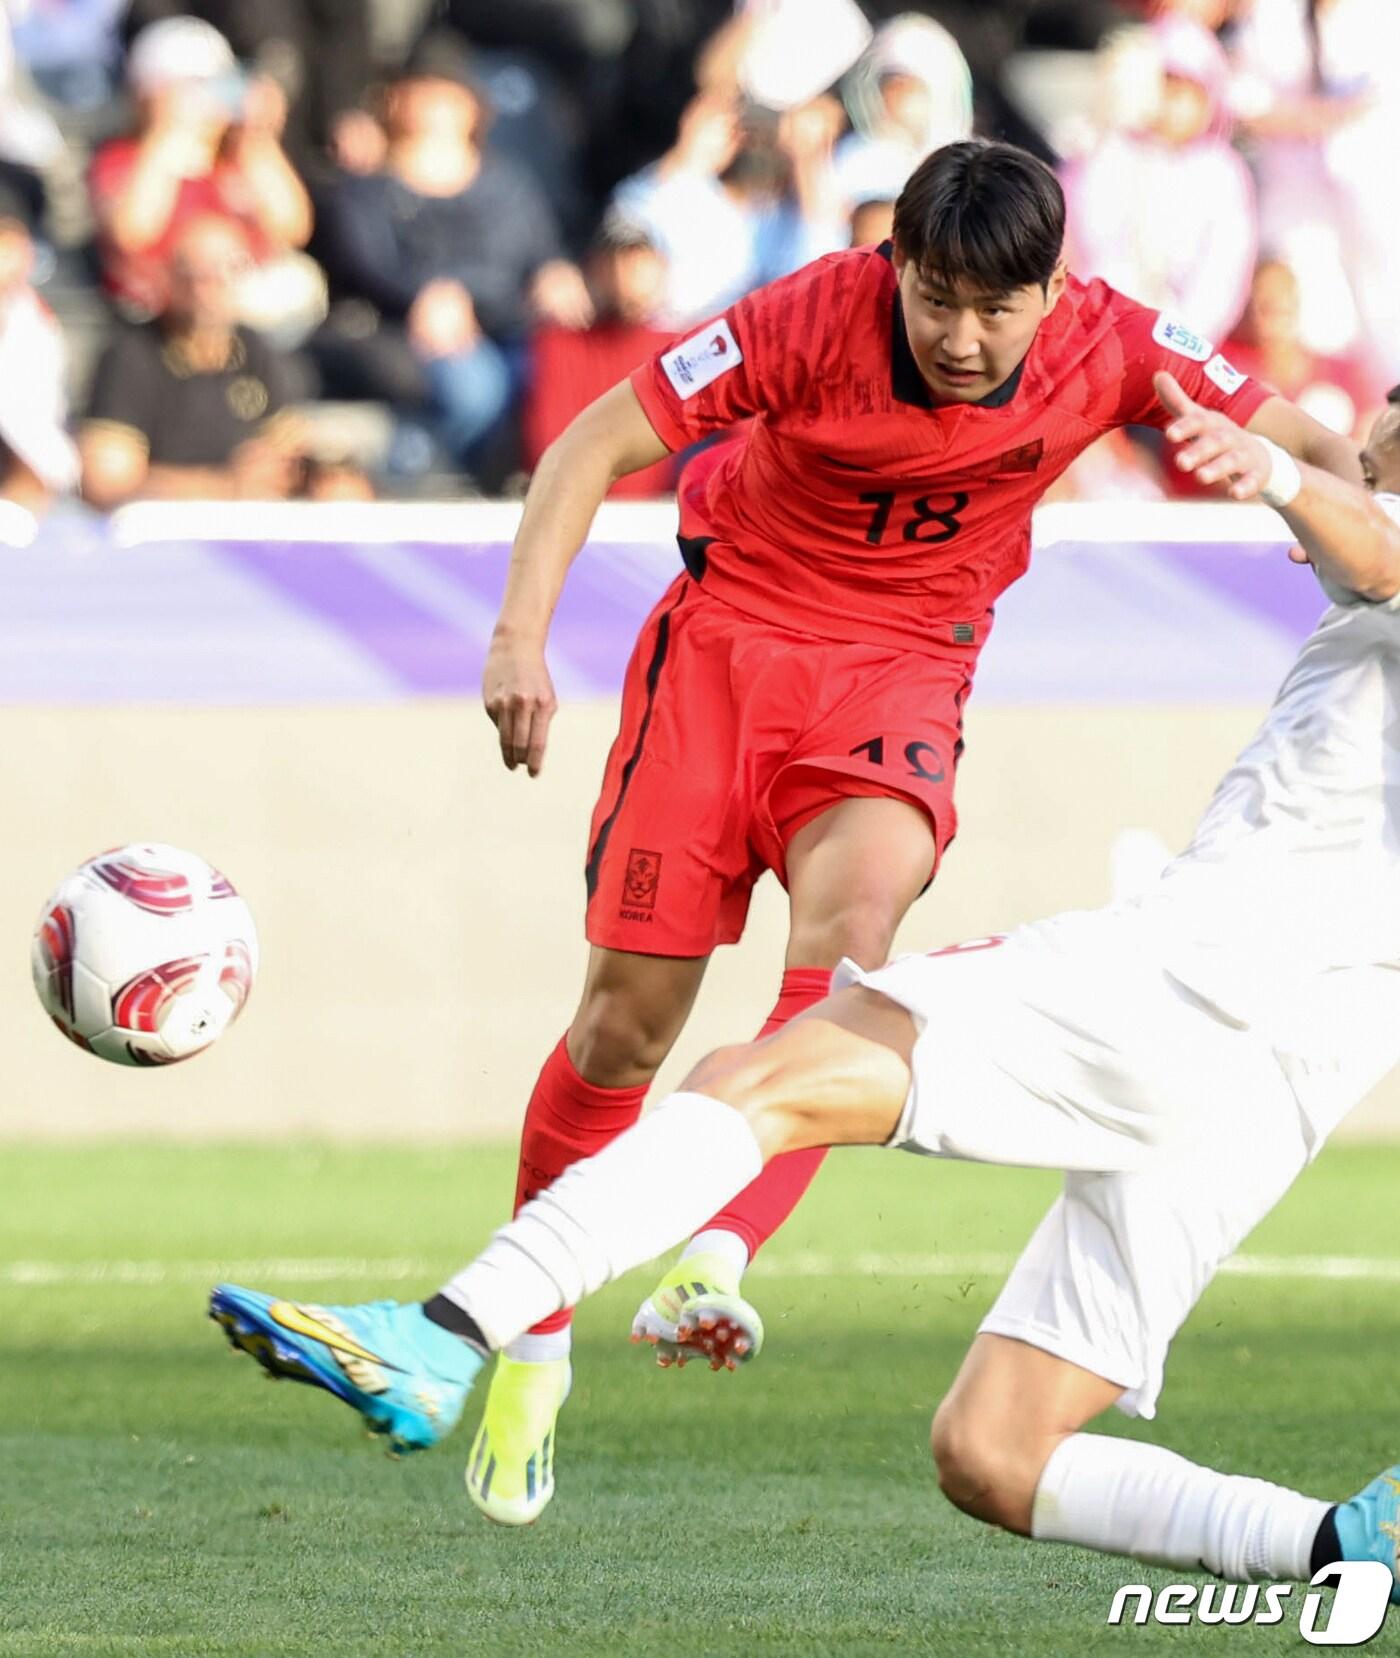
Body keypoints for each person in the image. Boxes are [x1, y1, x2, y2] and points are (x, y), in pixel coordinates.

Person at [236, 139, 1363, 1529]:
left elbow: (1311, 442)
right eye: (933, 297)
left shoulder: (1122, 341)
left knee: (854, 958)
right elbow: (598, 440)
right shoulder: (806, 317)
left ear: (1052, 291)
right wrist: (519, 634)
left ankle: (713, 1254)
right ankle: (534, 1345)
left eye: (992, 311)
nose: (959, 337)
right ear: (895, 266)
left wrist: (1275, 464)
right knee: (622, 1032)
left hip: (900, 669)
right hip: (726, 649)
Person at [310, 31, 590, 478]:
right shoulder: (368, 188)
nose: (434, 107)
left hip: (507, 321)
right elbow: (364, 262)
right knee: (474, 389)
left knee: (562, 377)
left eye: (446, 95)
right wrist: (426, 296)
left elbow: (540, 251)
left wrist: (555, 273)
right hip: (410, 332)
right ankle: (443, 484)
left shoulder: (507, 184)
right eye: (421, 92)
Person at [88, 15, 319, 339]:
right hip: (164, 318)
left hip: (247, 317)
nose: (207, 101)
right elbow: (130, 231)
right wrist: (165, 137)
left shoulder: (237, 159)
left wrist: (257, 138)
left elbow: (292, 227)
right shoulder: (123, 159)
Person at [80, 212, 303, 507]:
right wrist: (223, 486)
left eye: (226, 270)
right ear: (167, 276)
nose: (207, 287)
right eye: (194, 273)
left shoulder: (252, 350)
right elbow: (105, 484)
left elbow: (288, 449)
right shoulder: (132, 356)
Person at [1062, 16, 1256, 344]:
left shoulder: (1222, 172)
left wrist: (1182, 338)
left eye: (1189, 92)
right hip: (1098, 329)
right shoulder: (1104, 152)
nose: (1176, 105)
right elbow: (1080, 241)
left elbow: (1222, 276)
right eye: (1167, 86)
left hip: (1183, 342)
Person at [522, 215, 677, 499]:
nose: (626, 276)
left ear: (661, 269)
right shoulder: (559, 344)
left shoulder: (678, 347)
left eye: (638, 264)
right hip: (579, 512)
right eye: (617, 263)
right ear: (593, 270)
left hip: (661, 521)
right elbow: (551, 445)